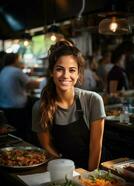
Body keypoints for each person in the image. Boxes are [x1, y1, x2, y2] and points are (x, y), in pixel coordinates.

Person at [32, 40, 106, 171]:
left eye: (72, 70)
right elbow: (47, 146)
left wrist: (88, 177)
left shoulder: (93, 100)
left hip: (94, 170)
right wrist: (66, 171)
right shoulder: (40, 107)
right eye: (59, 69)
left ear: (78, 74)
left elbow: (96, 146)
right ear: (51, 72)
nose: (66, 75)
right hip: (62, 170)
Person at [0, 53, 40, 141]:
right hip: (17, 109)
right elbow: (31, 84)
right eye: (20, 59)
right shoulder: (16, 71)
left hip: (4, 108)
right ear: (15, 60)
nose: (21, 61)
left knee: (11, 134)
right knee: (21, 134)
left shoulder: (4, 70)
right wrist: (44, 81)